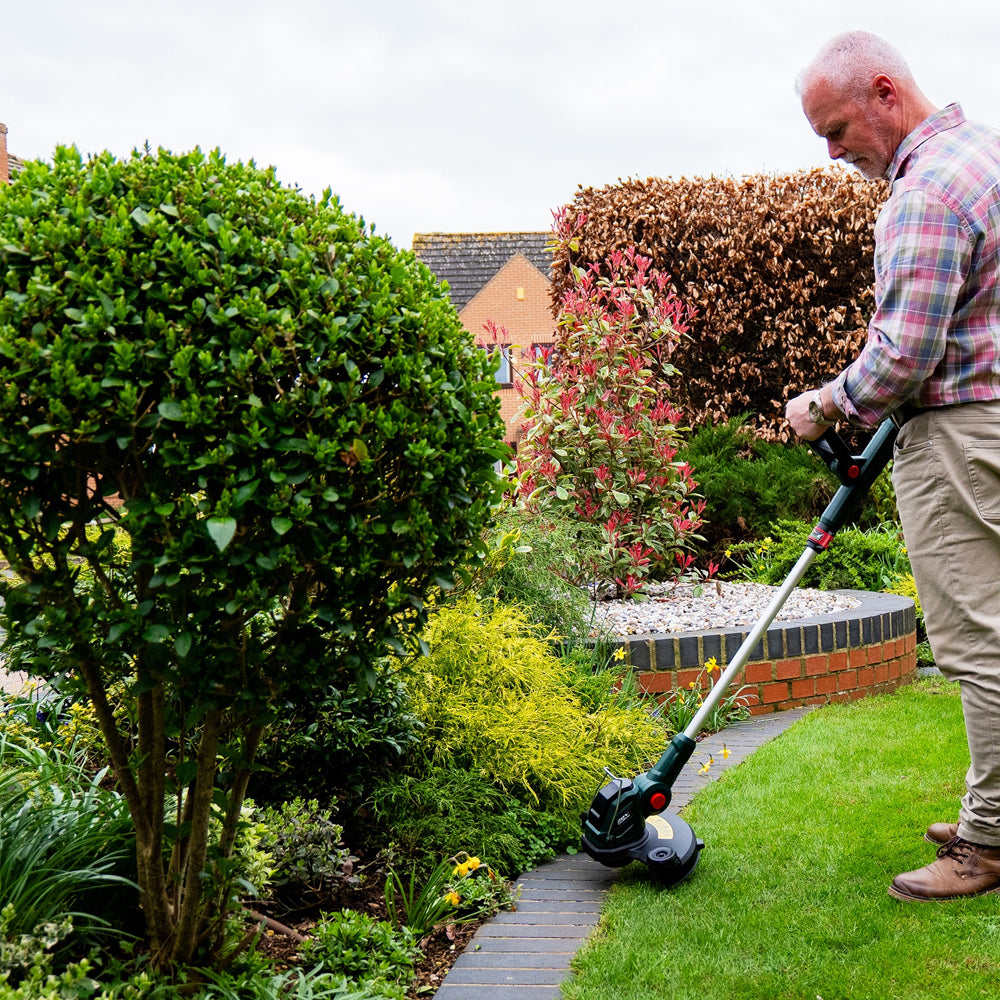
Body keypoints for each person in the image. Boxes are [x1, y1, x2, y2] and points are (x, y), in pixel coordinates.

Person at [786, 30, 1000, 902]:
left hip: (959, 436)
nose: (837, 155)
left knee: (976, 642)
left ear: (883, 92)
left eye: (837, 131)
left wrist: (824, 403)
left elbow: (904, 356)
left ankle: (988, 842)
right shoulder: (983, 153)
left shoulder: (923, 194)